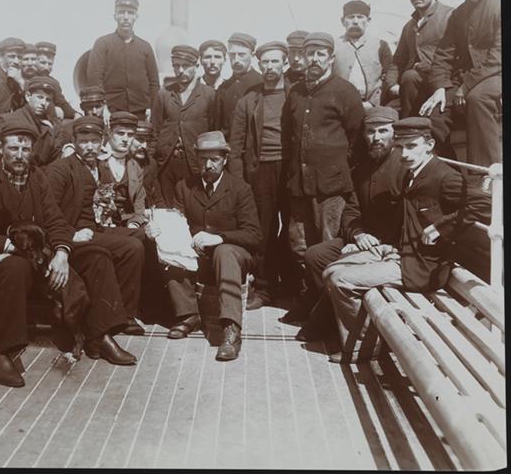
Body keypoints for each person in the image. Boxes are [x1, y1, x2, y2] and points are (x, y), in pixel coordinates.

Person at [0, 118, 136, 387]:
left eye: (26, 149)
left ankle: (100, 336)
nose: (20, 155)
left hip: (38, 257)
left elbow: (55, 221)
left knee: (95, 256)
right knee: (16, 267)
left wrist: (62, 253)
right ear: (0, 149)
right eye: (14, 148)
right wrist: (14, 248)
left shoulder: (37, 178)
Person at [324, 117, 491, 363]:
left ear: (429, 145)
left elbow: (485, 204)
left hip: (421, 264)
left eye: (412, 146)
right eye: (400, 147)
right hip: (399, 250)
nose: (405, 154)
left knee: (341, 280)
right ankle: (369, 340)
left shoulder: (444, 177)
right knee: (330, 270)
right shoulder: (413, 174)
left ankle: (367, 348)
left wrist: (441, 227)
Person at [146, 131, 262, 361]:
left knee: (224, 252)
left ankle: (231, 330)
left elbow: (254, 235)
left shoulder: (240, 188)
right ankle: (189, 314)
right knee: (168, 247)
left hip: (232, 253)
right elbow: (177, 223)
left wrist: (219, 237)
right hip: (196, 253)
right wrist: (159, 229)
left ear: (225, 160)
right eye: (203, 159)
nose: (208, 165)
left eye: (214, 160)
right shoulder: (184, 186)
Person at [291, 106, 403, 338]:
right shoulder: (362, 169)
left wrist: (377, 244)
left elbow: (407, 219)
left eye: (383, 131)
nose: (376, 137)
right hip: (363, 240)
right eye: (370, 131)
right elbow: (352, 210)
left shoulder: (404, 167)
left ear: (395, 134)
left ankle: (328, 323)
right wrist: (358, 235)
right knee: (315, 255)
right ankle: (331, 318)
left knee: (340, 269)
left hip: (390, 248)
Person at [281, 32, 365, 320]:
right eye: (310, 54)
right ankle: (309, 301)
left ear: (331, 58)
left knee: (327, 246)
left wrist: (335, 167)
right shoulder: (295, 92)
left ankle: (327, 312)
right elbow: (287, 135)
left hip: (331, 187)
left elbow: (356, 139)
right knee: (299, 245)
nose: (314, 59)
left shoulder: (345, 91)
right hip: (299, 185)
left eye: (320, 54)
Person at [46, 116, 147, 336]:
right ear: (74, 142)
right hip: (74, 233)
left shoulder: (101, 167)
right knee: (132, 247)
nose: (89, 147)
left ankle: (130, 307)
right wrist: (71, 234)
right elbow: (49, 212)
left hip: (97, 226)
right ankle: (122, 316)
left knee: (141, 235)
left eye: (94, 141)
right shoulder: (60, 169)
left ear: (102, 142)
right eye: (84, 141)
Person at [421, 0, 502, 174]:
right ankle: (446, 175)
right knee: (434, 111)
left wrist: (465, 86)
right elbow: (443, 54)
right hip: (465, 78)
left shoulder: (500, 5)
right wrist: (439, 87)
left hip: (496, 74)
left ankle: (486, 174)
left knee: (478, 99)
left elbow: (498, 56)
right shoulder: (459, 14)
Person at [228, 41, 293, 309]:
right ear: (259, 64)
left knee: (292, 228)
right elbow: (235, 145)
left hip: (290, 169)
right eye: (265, 62)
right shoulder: (249, 100)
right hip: (260, 171)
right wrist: (239, 182)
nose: (269, 67)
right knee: (263, 231)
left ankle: (290, 284)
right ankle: (263, 288)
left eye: (275, 61)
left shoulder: (296, 95)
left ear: (285, 64)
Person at [152, 45, 216, 205]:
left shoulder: (209, 95)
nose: (180, 70)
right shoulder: (164, 94)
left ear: (196, 66)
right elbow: (155, 130)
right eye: (176, 66)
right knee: (167, 208)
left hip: (194, 162)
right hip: (167, 162)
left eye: (186, 66)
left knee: (193, 205)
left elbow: (214, 130)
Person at [389, 0, 454, 118]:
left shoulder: (450, 16)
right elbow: (397, 61)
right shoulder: (409, 26)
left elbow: (460, 56)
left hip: (444, 84)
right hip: (412, 88)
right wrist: (392, 85)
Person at [86, 0, 160, 117]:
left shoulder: (145, 47)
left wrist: (153, 109)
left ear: (136, 16)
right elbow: (94, 79)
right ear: (115, 16)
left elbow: (154, 83)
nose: (126, 17)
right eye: (121, 12)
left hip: (141, 112)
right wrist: (102, 108)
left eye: (130, 13)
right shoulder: (102, 44)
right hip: (111, 111)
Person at [0, 76, 62, 169]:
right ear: (28, 96)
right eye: (39, 97)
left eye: (48, 99)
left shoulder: (51, 127)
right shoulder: (8, 120)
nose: (43, 103)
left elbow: (55, 161)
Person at [333, 0, 396, 108]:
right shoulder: (334, 45)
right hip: (340, 106)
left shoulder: (380, 45)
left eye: (360, 17)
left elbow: (388, 75)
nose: (355, 21)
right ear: (342, 21)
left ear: (368, 20)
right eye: (351, 17)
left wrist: (373, 103)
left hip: (373, 106)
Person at [98, 111, 148, 229]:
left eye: (130, 135)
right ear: (109, 133)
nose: (125, 139)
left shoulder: (135, 167)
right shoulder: (97, 161)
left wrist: (134, 223)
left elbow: (139, 203)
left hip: (127, 222)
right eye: (120, 133)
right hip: (99, 221)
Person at [216, 32, 263, 138]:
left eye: (241, 55)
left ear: (252, 55)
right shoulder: (224, 87)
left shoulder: (261, 83)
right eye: (232, 55)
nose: (236, 60)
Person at [58, 85, 110, 158]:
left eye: (98, 106)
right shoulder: (69, 130)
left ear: (104, 105)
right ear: (82, 107)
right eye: (90, 107)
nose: (94, 111)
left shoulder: (111, 128)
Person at [34, 41, 76, 120]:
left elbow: (62, 103)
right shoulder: (27, 79)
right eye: (43, 63)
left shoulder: (53, 82)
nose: (46, 68)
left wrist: (75, 114)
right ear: (35, 61)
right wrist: (53, 109)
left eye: (50, 64)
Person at [130, 120, 165, 208]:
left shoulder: (151, 163)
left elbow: (157, 197)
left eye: (148, 141)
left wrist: (163, 212)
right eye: (140, 140)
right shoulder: (119, 164)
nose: (144, 146)